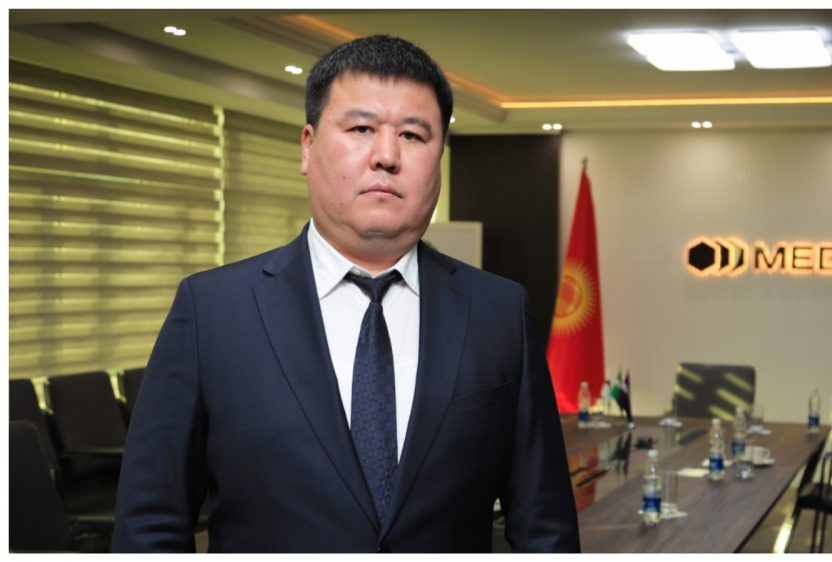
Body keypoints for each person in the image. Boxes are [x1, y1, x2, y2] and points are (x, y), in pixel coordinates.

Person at [111, 35, 580, 553]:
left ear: (439, 158)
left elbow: (545, 526)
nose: (387, 156)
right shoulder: (212, 311)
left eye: (413, 135)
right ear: (307, 147)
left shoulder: (499, 312)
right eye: (361, 129)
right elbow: (150, 523)